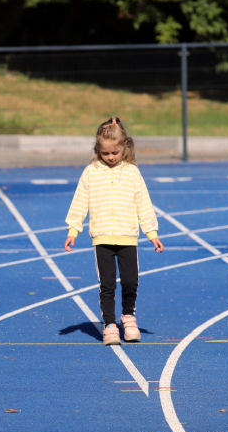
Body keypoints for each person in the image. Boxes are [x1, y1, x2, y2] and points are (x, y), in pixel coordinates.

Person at [64, 117, 163, 345]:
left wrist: (152, 233)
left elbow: (144, 204)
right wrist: (73, 230)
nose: (110, 157)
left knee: (130, 281)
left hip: (128, 237)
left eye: (114, 153)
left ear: (124, 147)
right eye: (105, 153)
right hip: (102, 238)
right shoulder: (90, 172)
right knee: (107, 285)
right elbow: (79, 202)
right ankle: (109, 325)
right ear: (98, 150)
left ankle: (128, 317)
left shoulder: (132, 172)